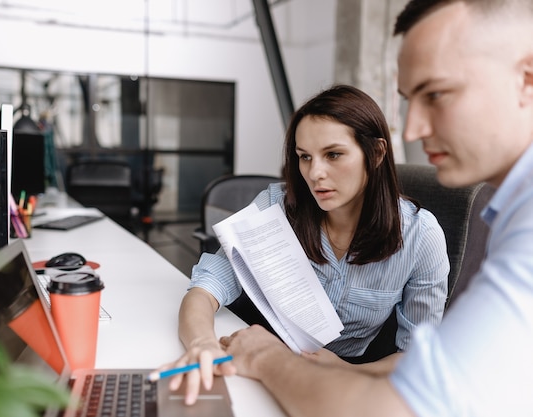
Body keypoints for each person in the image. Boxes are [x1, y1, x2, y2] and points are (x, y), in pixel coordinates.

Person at [218, 1, 533, 416]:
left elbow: (392, 406)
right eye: (408, 99)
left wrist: (265, 357)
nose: (416, 128)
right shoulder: (511, 212)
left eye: (436, 94)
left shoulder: (476, 230)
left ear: (526, 80)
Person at [161, 84, 450, 405]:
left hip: (339, 382)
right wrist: (201, 342)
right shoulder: (276, 205)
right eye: (304, 157)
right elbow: (204, 289)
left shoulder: (420, 236)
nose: (315, 173)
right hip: (256, 362)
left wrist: (347, 370)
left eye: (333, 154)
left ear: (377, 153)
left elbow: (415, 356)